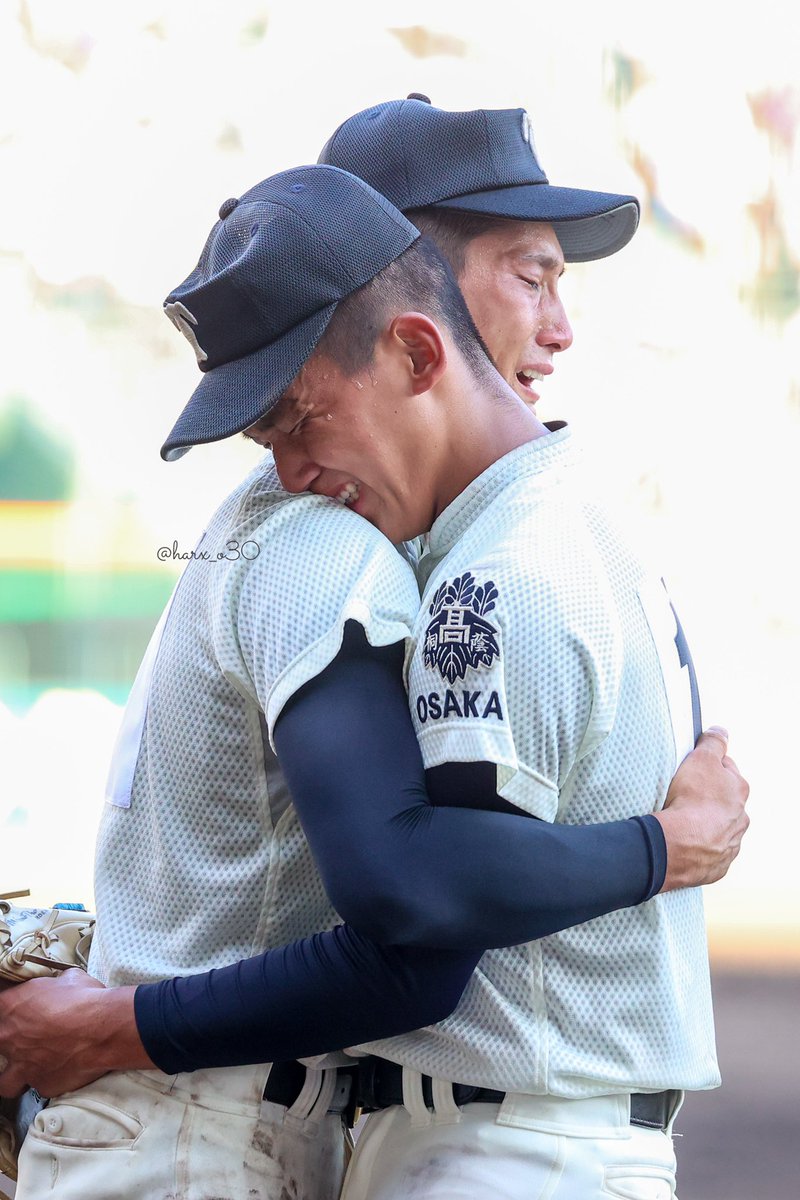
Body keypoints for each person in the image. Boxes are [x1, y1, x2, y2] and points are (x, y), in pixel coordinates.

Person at [0, 139, 746, 1200]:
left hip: (486, 1150)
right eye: (526, 274)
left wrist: (113, 1023)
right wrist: (663, 847)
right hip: (244, 1132)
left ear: (416, 342)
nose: (554, 328)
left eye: (298, 419)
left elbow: (411, 917)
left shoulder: (501, 562)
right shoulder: (365, 538)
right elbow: (414, 900)